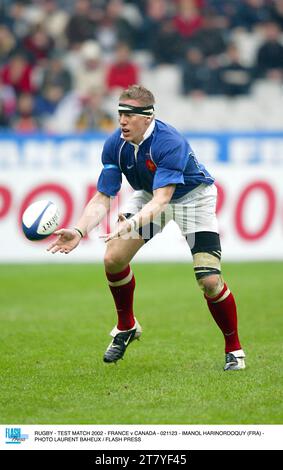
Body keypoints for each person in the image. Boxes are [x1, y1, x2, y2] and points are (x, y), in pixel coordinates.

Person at [47, 84, 245, 371]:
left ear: (148, 117)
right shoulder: (115, 144)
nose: (122, 121)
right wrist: (79, 231)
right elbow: (104, 195)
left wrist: (131, 221)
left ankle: (234, 349)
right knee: (113, 258)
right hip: (150, 195)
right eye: (120, 114)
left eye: (130, 115)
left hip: (193, 199)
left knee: (209, 280)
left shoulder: (168, 141)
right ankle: (126, 326)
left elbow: (164, 200)